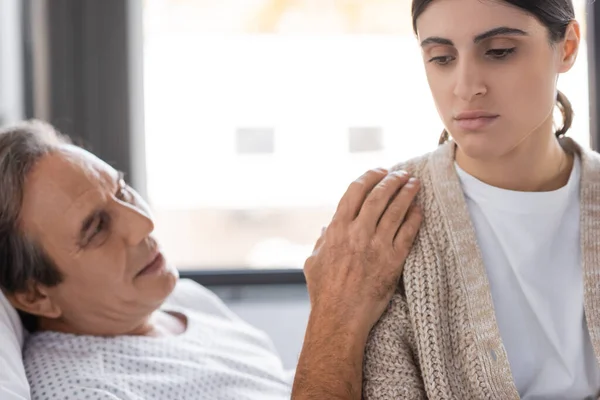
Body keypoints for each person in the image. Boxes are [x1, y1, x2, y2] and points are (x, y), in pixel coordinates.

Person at [0, 120, 422, 399]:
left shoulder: (186, 300)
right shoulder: (82, 390)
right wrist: (336, 313)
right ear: (36, 295)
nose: (142, 224)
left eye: (122, 190)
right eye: (95, 228)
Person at [356, 0, 600, 399]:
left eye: (500, 51)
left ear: (568, 47)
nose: (466, 87)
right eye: (441, 57)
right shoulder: (386, 220)